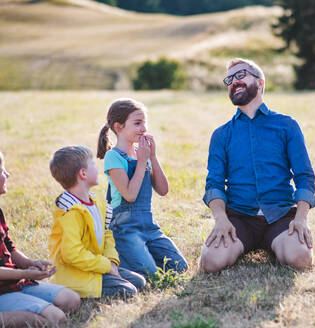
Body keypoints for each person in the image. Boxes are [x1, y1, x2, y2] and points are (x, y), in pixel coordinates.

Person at [200, 58, 315, 273]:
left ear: (260, 82)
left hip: (280, 215)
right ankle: (243, 242)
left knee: (300, 259)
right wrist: (221, 220)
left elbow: (304, 176)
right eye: (229, 79)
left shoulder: (287, 126)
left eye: (240, 75)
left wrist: (300, 219)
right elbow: (214, 183)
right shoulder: (221, 135)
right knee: (210, 262)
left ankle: (278, 243)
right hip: (239, 218)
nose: (233, 82)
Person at [97, 98, 187, 276]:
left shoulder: (143, 155)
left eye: (145, 123)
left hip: (149, 225)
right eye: (137, 123)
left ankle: (137, 255)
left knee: (180, 268)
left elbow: (163, 190)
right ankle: (119, 258)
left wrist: (152, 157)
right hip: (125, 227)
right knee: (150, 274)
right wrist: (142, 162)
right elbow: (130, 195)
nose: (144, 128)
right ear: (118, 127)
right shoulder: (113, 157)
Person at [49, 146, 146, 298]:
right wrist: (106, 266)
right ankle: (77, 291)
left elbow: (107, 235)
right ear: (83, 173)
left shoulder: (97, 202)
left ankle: (109, 276)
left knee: (140, 282)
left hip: (97, 267)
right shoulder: (70, 212)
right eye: (93, 164)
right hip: (77, 276)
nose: (97, 167)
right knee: (129, 291)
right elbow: (71, 254)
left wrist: (112, 262)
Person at [0, 151, 80, 326]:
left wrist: (30, 262)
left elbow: (9, 248)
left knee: (71, 300)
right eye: (2, 171)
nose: (7, 174)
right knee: (55, 319)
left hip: (14, 282)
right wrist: (25, 273)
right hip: (2, 290)